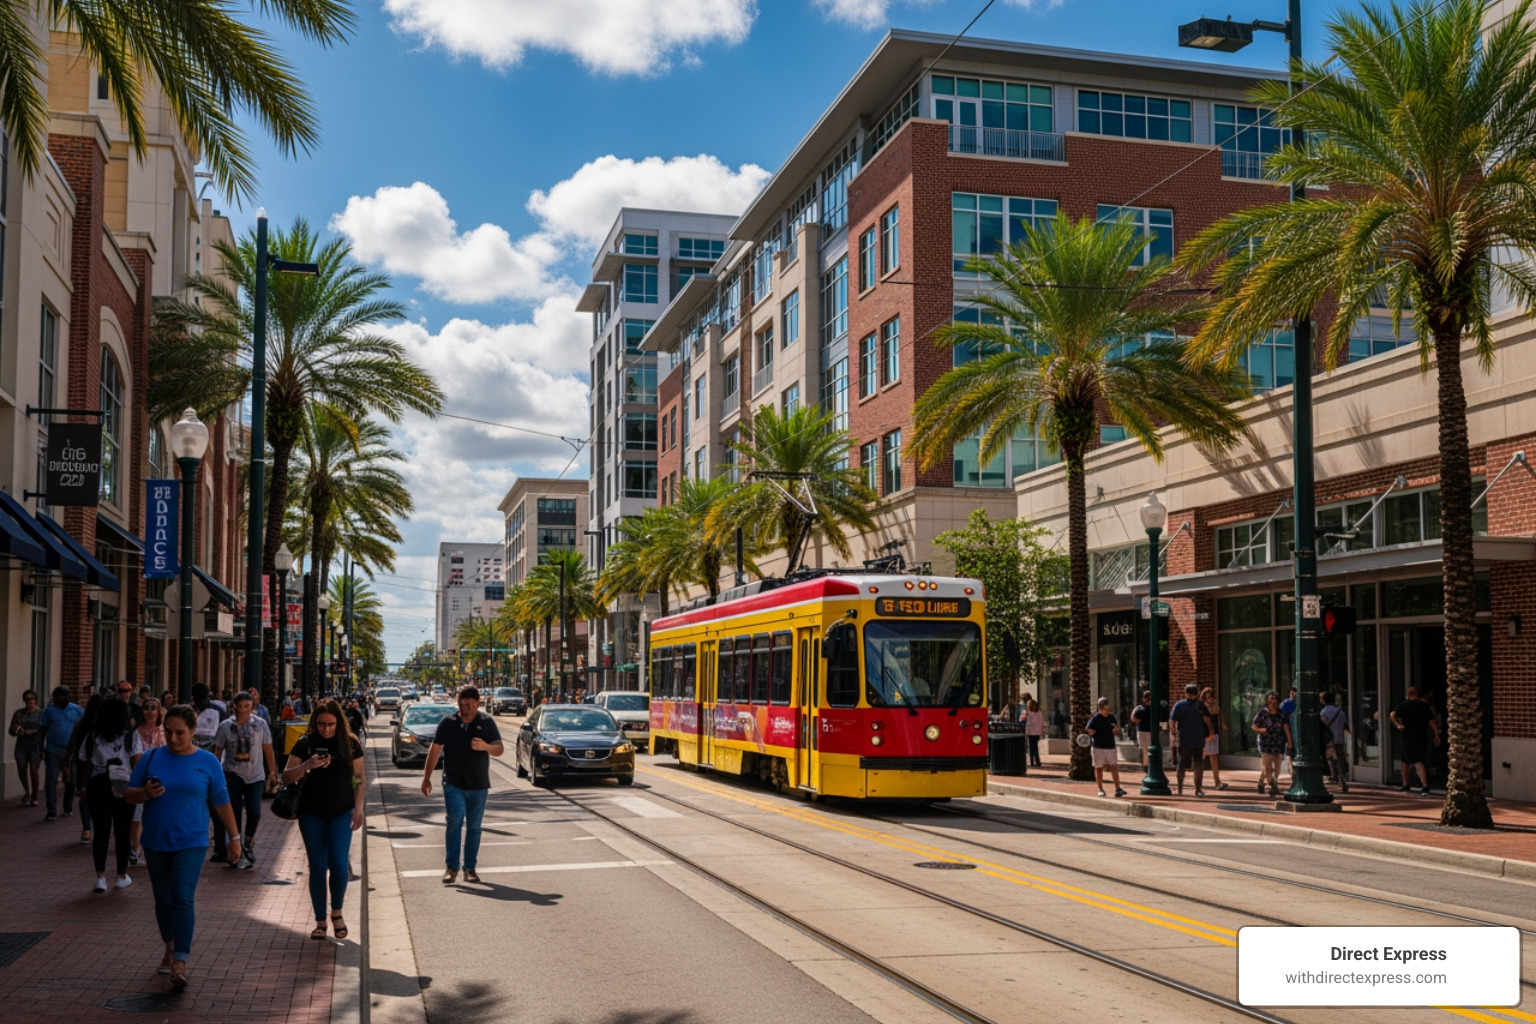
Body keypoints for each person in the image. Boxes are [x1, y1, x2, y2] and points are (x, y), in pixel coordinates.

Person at [125, 704, 242, 991]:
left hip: (192, 840)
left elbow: (221, 801)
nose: (173, 738)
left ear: (193, 731)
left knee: (182, 896)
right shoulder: (152, 758)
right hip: (155, 840)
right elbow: (128, 794)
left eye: (180, 733)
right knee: (163, 900)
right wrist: (145, 793)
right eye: (168, 732)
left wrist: (234, 837)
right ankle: (169, 944)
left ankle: (180, 959)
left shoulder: (208, 762)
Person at [282, 700, 365, 941]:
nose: (326, 729)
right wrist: (308, 765)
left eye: (331, 724)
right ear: (314, 723)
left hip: (341, 811)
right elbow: (286, 777)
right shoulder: (305, 743)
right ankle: (320, 921)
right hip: (311, 813)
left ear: (338, 722)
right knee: (317, 866)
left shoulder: (350, 743)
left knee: (339, 865)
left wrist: (358, 808)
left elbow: (359, 776)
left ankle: (336, 913)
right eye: (321, 725)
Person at [421, 686, 503, 883]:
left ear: (477, 703)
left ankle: (470, 869)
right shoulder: (448, 723)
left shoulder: (486, 722)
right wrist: (427, 778)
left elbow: (499, 749)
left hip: (479, 784)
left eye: (468, 705)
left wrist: (485, 747)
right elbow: (435, 750)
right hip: (453, 783)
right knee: (454, 823)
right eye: (460, 705)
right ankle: (451, 868)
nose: (463, 709)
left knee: (474, 827)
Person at [83, 699, 144, 892]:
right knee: (122, 831)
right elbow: (136, 761)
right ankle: (121, 875)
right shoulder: (130, 737)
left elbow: (84, 761)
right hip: (122, 783)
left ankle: (100, 876)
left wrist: (83, 786)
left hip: (97, 783)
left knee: (100, 831)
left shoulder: (92, 737)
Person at [212, 693, 277, 869]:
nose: (243, 710)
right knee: (234, 813)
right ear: (234, 706)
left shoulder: (260, 724)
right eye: (240, 706)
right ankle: (237, 848)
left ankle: (248, 840)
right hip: (232, 774)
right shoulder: (225, 726)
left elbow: (268, 748)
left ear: (252, 706)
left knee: (254, 812)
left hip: (255, 775)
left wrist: (273, 772)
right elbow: (217, 751)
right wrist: (214, 775)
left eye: (247, 706)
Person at [131, 699, 167, 865]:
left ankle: (157, 848)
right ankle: (135, 849)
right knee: (138, 815)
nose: (149, 711)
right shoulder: (136, 733)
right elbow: (136, 758)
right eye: (146, 708)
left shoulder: (165, 731)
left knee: (159, 813)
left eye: (153, 708)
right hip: (143, 777)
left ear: (159, 711)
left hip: (163, 777)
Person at [40, 687, 84, 822]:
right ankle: (51, 811)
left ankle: (67, 807)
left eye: (64, 696)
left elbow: (84, 727)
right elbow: (42, 730)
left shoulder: (77, 710)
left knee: (70, 781)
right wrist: (42, 748)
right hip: (53, 750)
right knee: (51, 780)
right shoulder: (48, 711)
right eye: (58, 696)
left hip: (71, 752)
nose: (61, 699)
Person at [67, 694, 106, 843]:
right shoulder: (104, 726)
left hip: (82, 764)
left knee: (85, 794)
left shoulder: (81, 724)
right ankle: (98, 827)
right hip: (98, 765)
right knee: (101, 797)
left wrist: (67, 760)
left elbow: (72, 744)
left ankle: (86, 829)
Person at [1390, 685, 1439, 795]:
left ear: (1408, 694)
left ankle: (1409, 785)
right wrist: (1436, 734)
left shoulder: (1404, 706)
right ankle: (1422, 785)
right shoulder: (1424, 706)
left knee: (1406, 761)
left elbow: (1392, 714)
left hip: (1407, 736)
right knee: (1417, 761)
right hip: (1421, 736)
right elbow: (1432, 721)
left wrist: (1398, 725)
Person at [1169, 683, 1210, 797]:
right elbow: (1207, 720)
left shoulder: (1180, 705)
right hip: (1198, 738)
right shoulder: (1201, 705)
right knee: (1198, 764)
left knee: (1182, 764)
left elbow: (1172, 720)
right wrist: (1210, 732)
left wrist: (1173, 731)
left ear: (1186, 693)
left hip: (1184, 739)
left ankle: (1180, 789)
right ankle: (1198, 789)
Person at [9, 689, 45, 806]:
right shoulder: (19, 713)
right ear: (24, 700)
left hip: (35, 744)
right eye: (27, 699)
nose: (30, 701)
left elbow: (45, 730)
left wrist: (35, 732)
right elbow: (12, 730)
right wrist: (17, 730)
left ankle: (35, 795)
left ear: (35, 700)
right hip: (22, 744)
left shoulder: (41, 713)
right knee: (22, 769)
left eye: (32, 698)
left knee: (34, 770)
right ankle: (27, 792)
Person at [1252, 691, 1291, 797]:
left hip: (1278, 743)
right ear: (1267, 701)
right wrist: (1261, 730)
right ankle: (1273, 785)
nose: (1273, 701)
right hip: (1265, 743)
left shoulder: (1282, 714)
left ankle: (1265, 783)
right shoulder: (1262, 713)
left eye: (1275, 699)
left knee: (1277, 766)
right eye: (1271, 699)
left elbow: (1286, 728)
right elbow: (1254, 726)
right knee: (1267, 766)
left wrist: (1290, 742)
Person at [1085, 697, 1124, 798]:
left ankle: (1118, 788)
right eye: (1106, 709)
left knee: (1114, 766)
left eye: (1108, 709)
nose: (1108, 711)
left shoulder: (1111, 717)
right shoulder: (1095, 718)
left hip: (1110, 746)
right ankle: (1101, 789)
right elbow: (1088, 729)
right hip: (1098, 747)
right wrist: (1093, 733)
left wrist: (1116, 730)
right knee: (1099, 768)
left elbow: (1116, 729)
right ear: (1100, 709)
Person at [1320, 691, 1350, 793]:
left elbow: (1323, 724)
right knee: (1340, 758)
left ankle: (1334, 776)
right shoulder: (1340, 712)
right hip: (1339, 738)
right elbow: (1345, 724)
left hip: (1329, 738)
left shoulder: (1323, 712)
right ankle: (1342, 778)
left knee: (1330, 757)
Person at [1200, 687, 1228, 791]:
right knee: (1201, 758)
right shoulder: (1202, 707)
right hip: (1205, 735)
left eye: (1211, 695)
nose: (1210, 697)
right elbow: (1205, 720)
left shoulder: (1215, 705)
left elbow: (1220, 717)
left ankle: (1217, 781)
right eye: (1207, 695)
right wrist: (1208, 733)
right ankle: (1198, 782)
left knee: (1214, 757)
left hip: (1215, 734)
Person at [190, 684, 223, 751]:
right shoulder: (189, 711)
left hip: (212, 748)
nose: (204, 701)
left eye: (205, 698)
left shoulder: (217, 710)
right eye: (200, 698)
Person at [1129, 689, 1154, 766]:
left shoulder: (1140, 709)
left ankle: (1145, 764)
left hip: (1144, 731)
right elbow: (1134, 718)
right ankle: (1147, 764)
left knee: (1144, 749)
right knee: (1146, 749)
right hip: (1147, 731)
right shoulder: (1150, 709)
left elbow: (1133, 718)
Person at [1023, 698, 1044, 767]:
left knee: (1035, 747)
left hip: (1036, 732)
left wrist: (1041, 731)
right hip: (1029, 732)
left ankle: (1037, 761)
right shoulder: (1027, 713)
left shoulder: (1039, 713)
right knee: (1030, 747)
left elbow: (1041, 723)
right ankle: (1032, 761)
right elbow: (1021, 719)